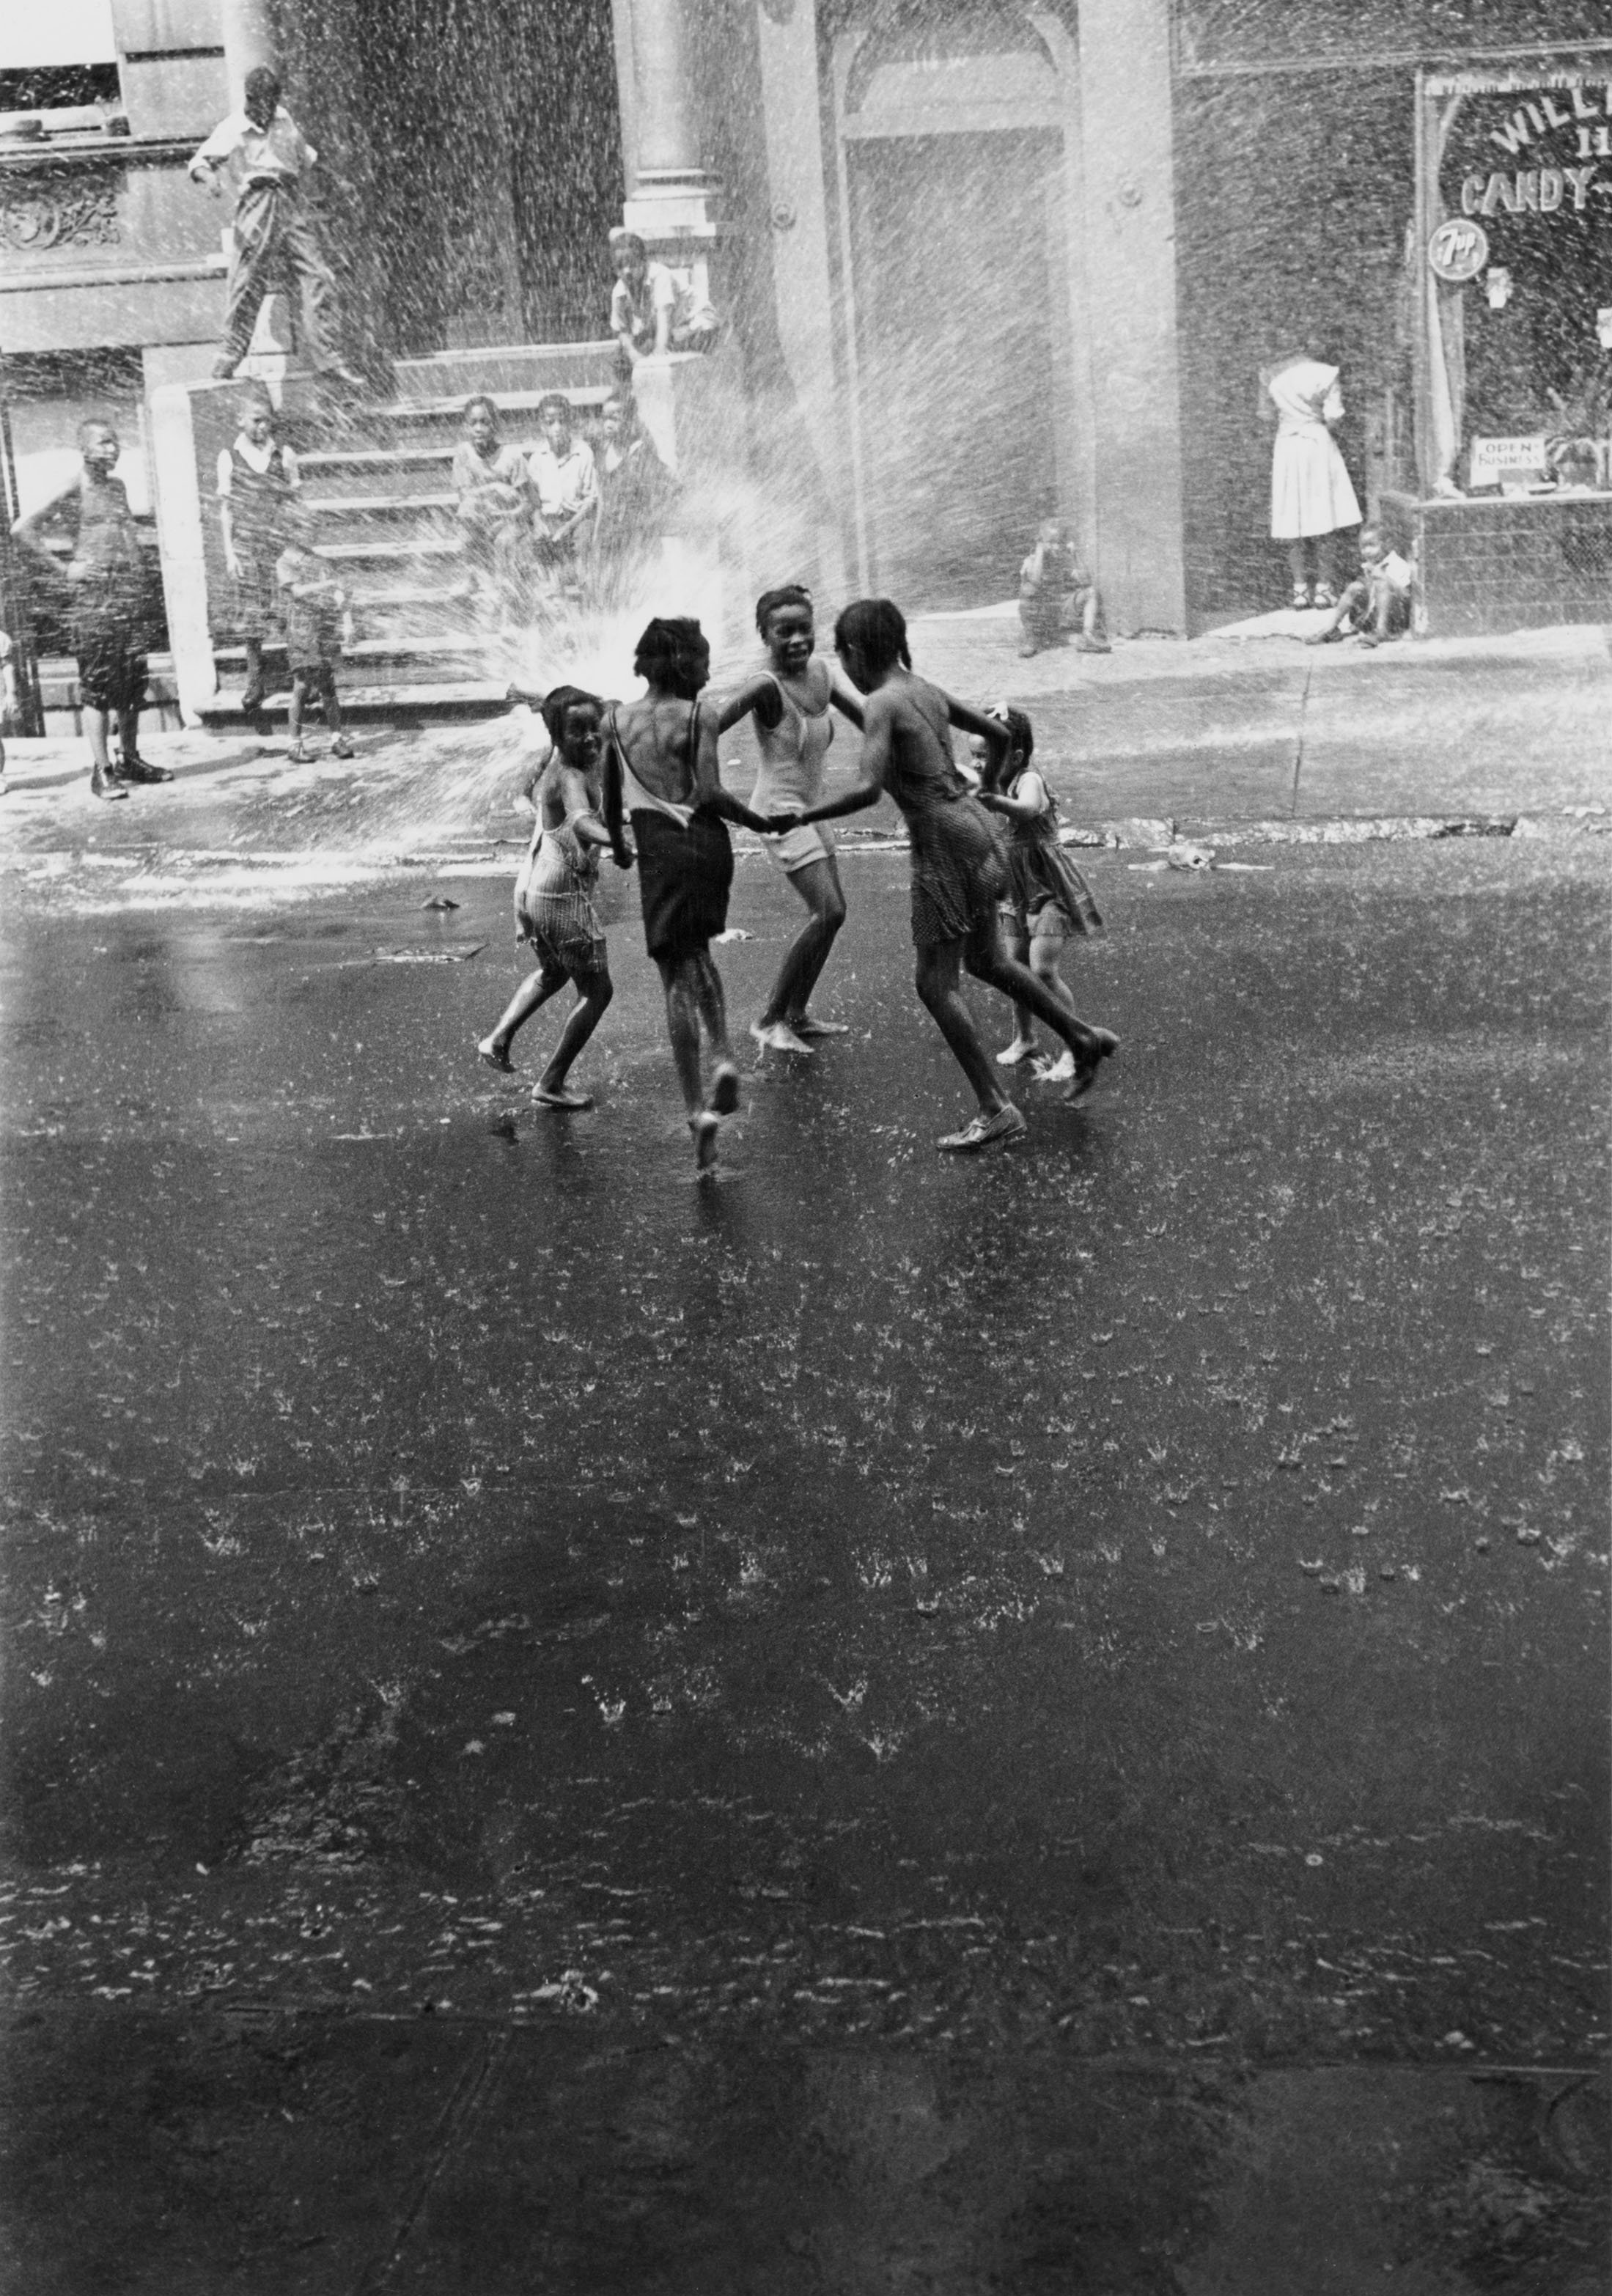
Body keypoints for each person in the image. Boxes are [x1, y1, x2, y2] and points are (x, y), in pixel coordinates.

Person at [785, 599, 1118, 1151]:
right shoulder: (922, 690)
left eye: (840, 656)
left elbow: (869, 787)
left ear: (854, 652)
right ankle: (1080, 1036)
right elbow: (1000, 732)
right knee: (987, 959)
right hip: (980, 832)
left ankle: (994, 1107)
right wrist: (987, 789)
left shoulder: (883, 704)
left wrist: (805, 813)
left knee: (933, 983)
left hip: (942, 848)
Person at [601, 617, 779, 1171]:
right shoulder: (698, 715)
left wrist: (619, 847)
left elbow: (611, 804)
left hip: (657, 851)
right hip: (705, 845)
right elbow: (709, 792)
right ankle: (723, 1053)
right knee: (698, 951)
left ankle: (695, 1109)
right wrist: (759, 820)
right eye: (701, 661)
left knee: (672, 976)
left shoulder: (614, 722)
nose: (706, 673)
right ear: (682, 664)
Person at [717, 584, 864, 1055]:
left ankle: (797, 1014)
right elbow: (710, 726)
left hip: (813, 807)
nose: (798, 639)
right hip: (779, 814)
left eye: (805, 629)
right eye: (785, 632)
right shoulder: (765, 686)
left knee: (832, 916)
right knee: (829, 912)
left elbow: (865, 717)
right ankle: (769, 1019)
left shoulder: (822, 671)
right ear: (766, 636)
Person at [478, 685, 625, 1108]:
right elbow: (581, 822)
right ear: (557, 738)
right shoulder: (570, 775)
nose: (591, 738)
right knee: (598, 992)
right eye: (576, 731)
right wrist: (625, 840)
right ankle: (551, 1083)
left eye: (593, 728)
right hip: (563, 897)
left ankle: (498, 1039)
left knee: (555, 974)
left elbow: (611, 707)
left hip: (538, 890)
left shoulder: (570, 762)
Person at [11, 420, 172, 802]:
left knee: (133, 684)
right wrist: (66, 568)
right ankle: (102, 771)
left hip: (127, 599)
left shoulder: (118, 486)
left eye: (115, 442)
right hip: (95, 603)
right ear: (83, 447)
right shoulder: (74, 485)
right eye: (103, 442)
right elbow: (23, 528)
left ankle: (129, 759)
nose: (112, 449)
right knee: (98, 689)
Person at [188, 65, 361, 386]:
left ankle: (329, 359)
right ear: (249, 99)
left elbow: (307, 157)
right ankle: (228, 356)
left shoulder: (284, 119)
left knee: (318, 273)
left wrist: (338, 180)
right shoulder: (233, 127)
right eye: (259, 105)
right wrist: (210, 178)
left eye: (270, 104)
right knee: (247, 280)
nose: (264, 113)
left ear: (276, 100)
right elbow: (199, 161)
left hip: (291, 201)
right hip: (257, 202)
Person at [974, 706, 1103, 1083]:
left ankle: (1075, 1044)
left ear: (1014, 757)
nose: (979, 763)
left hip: (1049, 889)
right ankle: (1025, 1038)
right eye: (974, 756)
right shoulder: (992, 784)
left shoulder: (1029, 780)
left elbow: (1028, 811)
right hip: (1015, 891)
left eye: (986, 756)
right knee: (1015, 969)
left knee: (1043, 969)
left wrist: (993, 802)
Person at [217, 387, 300, 713]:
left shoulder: (284, 455)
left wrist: (296, 547)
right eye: (255, 421)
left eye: (267, 421)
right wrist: (230, 553)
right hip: (247, 546)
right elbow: (227, 510)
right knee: (253, 616)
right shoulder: (230, 456)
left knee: (290, 609)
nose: (263, 427)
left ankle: (302, 677)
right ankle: (256, 680)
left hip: (279, 547)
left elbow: (295, 504)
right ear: (241, 420)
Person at [1262, 349, 1362, 608]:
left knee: (1291, 517)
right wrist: (1315, 426)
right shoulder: (1325, 373)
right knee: (1323, 514)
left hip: (1286, 445)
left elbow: (1266, 415)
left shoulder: (1270, 373)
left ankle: (1299, 590)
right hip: (1317, 444)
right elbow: (1334, 417)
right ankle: (1324, 588)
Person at [274, 510, 355, 762]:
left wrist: (347, 621)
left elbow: (340, 592)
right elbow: (298, 592)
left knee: (329, 687)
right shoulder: (284, 562)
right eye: (308, 530)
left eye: (314, 530)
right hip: (301, 629)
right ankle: (295, 743)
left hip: (324, 626)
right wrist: (328, 585)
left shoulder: (320, 561)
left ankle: (336, 739)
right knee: (302, 686)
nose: (313, 535)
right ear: (294, 533)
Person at [593, 393, 677, 606]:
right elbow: (602, 495)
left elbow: (671, 483)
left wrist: (654, 517)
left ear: (630, 420)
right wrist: (597, 533)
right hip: (611, 533)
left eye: (616, 418)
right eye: (605, 418)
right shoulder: (602, 451)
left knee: (642, 587)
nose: (609, 424)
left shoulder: (640, 453)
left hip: (638, 535)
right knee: (612, 588)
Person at [451, 395, 531, 607]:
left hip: (506, 521)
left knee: (505, 541)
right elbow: (465, 496)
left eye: (485, 422)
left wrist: (510, 515)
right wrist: (494, 487)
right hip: (479, 520)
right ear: (466, 427)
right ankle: (471, 576)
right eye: (473, 423)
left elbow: (527, 502)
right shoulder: (463, 453)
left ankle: (504, 595)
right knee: (466, 509)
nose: (479, 428)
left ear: (495, 425)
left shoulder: (512, 457)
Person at [608, 229, 719, 376]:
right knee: (619, 358)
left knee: (666, 350)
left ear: (643, 261)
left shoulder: (660, 275)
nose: (627, 271)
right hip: (671, 329)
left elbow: (663, 317)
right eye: (620, 266)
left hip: (698, 325)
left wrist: (658, 354)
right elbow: (622, 331)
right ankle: (627, 396)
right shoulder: (619, 291)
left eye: (632, 264)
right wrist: (633, 354)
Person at [1304, 524, 1416, 648]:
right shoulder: (1369, 564)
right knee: (1355, 587)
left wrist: (1384, 578)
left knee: (1382, 582)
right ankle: (1331, 628)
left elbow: (1406, 595)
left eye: (1372, 545)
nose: (1367, 551)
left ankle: (1381, 631)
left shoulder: (1397, 564)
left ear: (1387, 544)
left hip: (1394, 620)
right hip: (1369, 618)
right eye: (1363, 547)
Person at [526, 395, 598, 577]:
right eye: (550, 423)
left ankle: (584, 589)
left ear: (570, 423)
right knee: (536, 543)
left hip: (577, 518)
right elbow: (534, 503)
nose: (557, 428)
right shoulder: (538, 459)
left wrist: (569, 527)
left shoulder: (583, 454)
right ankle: (551, 591)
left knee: (583, 542)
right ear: (542, 426)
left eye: (562, 422)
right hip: (550, 519)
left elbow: (590, 501)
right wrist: (538, 522)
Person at [1017, 520, 1109, 658]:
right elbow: (1035, 580)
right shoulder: (1031, 560)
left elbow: (1085, 580)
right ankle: (1032, 640)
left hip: (1060, 609)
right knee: (1028, 590)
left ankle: (1088, 636)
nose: (1056, 547)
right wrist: (1040, 551)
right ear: (1041, 542)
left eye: (1059, 542)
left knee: (1091, 592)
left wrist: (1075, 555)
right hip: (1041, 613)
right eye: (1051, 542)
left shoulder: (1061, 559)